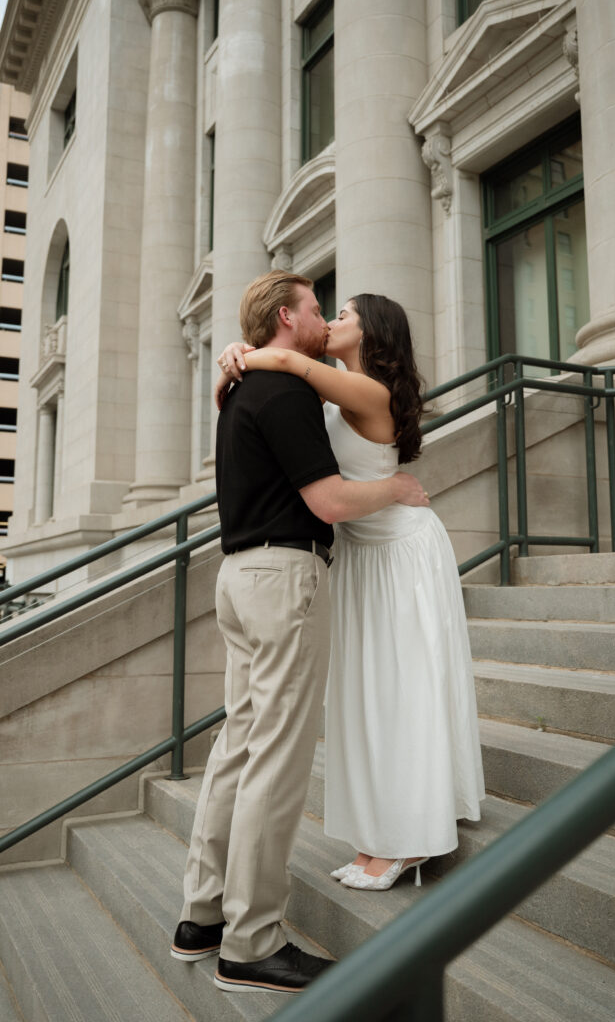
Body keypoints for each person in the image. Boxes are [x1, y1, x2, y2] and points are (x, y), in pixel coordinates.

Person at [171, 272, 428, 993]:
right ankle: (251, 944)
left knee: (237, 748)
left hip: (240, 580)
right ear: (288, 317)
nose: (324, 317)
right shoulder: (282, 391)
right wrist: (397, 490)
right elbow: (330, 499)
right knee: (274, 764)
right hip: (283, 580)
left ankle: (201, 917)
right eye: (317, 308)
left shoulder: (242, 387)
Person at [216, 293, 485, 893]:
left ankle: (409, 839)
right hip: (361, 557)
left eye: (344, 316)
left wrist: (243, 354)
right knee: (366, 698)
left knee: (401, 692)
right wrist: (238, 352)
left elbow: (289, 364)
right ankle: (375, 836)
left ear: (371, 334)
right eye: (327, 312)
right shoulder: (333, 387)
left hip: (402, 553)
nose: (332, 321)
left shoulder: (369, 392)